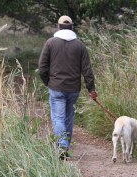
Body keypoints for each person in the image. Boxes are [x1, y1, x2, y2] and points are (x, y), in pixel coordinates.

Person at [38, 15, 97, 160]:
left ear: (58, 27)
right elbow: (87, 70)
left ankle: (62, 148)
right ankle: (65, 148)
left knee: (58, 118)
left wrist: (47, 81)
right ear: (71, 27)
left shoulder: (50, 43)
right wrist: (91, 89)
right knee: (69, 118)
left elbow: (42, 67)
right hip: (73, 89)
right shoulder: (80, 45)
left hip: (56, 87)